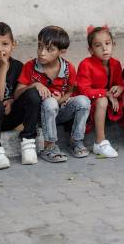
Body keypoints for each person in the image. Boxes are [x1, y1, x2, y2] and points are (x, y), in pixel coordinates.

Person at [14, 25, 91, 162]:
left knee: (83, 101)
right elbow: (17, 94)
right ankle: (49, 147)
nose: (42, 53)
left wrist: (61, 100)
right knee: (49, 103)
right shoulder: (30, 67)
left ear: (61, 52)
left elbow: (71, 91)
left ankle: (76, 141)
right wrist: (35, 85)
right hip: (39, 115)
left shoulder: (68, 68)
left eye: (49, 49)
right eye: (39, 46)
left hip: (59, 111)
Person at [0, 21, 42, 170]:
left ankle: (28, 140)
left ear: (13, 45)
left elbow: (18, 93)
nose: (0, 50)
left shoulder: (18, 66)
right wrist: (3, 67)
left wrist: (11, 100)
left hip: (10, 116)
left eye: (5, 44)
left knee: (32, 94)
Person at [77, 26, 124, 158]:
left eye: (107, 44)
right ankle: (100, 142)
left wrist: (120, 88)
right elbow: (83, 90)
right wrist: (105, 93)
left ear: (113, 44)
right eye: (98, 45)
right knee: (102, 100)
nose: (104, 48)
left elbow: (122, 83)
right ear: (91, 50)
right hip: (93, 103)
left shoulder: (115, 64)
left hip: (112, 102)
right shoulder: (86, 64)